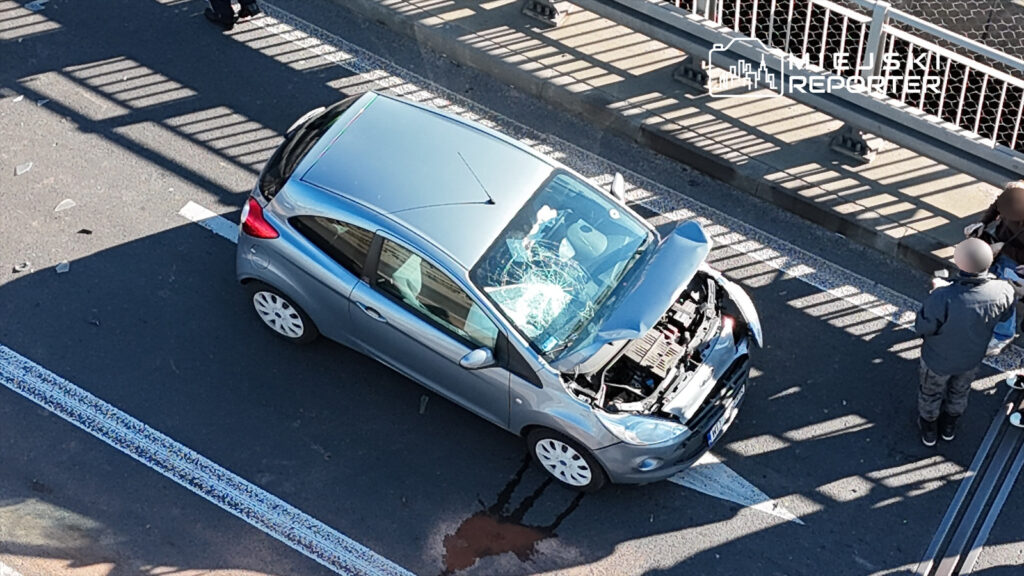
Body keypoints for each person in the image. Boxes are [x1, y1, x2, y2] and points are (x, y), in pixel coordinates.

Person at [915, 238, 1016, 446]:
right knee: (960, 391)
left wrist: (937, 292)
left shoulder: (943, 296)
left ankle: (929, 429)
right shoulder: (1003, 291)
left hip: (938, 359)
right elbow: (1005, 318)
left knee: (931, 393)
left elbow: (923, 327)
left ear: (959, 263)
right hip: (972, 357)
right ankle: (949, 426)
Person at [964, 180, 1024, 354]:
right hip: (999, 244)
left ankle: (1003, 334)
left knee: (1005, 293)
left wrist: (1002, 248)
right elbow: (995, 207)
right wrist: (983, 223)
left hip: (1017, 258)